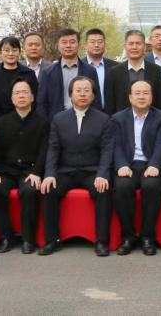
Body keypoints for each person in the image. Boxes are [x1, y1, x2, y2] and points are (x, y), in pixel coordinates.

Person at [39, 77, 114, 257]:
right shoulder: (59, 119)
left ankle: (101, 241)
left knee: (104, 190)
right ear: (70, 95)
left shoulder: (104, 119)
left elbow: (107, 150)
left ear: (93, 95)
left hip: (92, 171)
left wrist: (102, 174)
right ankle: (52, 240)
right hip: (66, 170)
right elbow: (53, 148)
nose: (82, 94)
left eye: (87, 90)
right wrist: (49, 174)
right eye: (78, 90)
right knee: (49, 189)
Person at [0, 77, 49, 255]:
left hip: (30, 171)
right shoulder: (2, 122)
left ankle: (28, 239)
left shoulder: (43, 122)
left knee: (29, 190)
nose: (21, 96)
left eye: (25, 92)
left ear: (32, 97)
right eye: (17, 93)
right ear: (12, 98)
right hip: (7, 171)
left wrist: (37, 172)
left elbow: (44, 151)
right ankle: (6, 236)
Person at [110, 80, 161, 256]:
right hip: (128, 164)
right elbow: (115, 145)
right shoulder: (118, 118)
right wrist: (121, 164)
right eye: (137, 93)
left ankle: (147, 236)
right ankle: (127, 237)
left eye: (145, 93)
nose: (141, 97)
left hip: (150, 164)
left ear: (151, 96)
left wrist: (154, 164)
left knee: (152, 186)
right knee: (122, 187)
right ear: (130, 97)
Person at [36, 28, 99, 119]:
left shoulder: (90, 71)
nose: (68, 45)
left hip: (85, 119)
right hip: (56, 121)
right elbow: (41, 102)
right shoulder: (48, 72)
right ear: (58, 45)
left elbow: (96, 100)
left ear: (79, 45)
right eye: (64, 42)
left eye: (72, 42)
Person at [110, 29, 161, 114]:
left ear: (144, 47)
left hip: (151, 120)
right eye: (131, 43)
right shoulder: (114, 72)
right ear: (125, 46)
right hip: (122, 121)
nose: (134, 47)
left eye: (138, 43)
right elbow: (110, 104)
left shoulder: (156, 70)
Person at [0, 36, 40, 118]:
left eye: (14, 50)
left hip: (24, 119)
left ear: (19, 52)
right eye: (6, 50)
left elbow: (35, 99)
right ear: (0, 52)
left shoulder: (28, 73)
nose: (10, 54)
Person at [83, 28, 119, 110]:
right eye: (92, 42)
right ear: (85, 45)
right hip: (86, 113)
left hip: (110, 113)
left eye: (100, 42)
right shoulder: (79, 66)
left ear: (105, 44)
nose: (96, 45)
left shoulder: (115, 66)